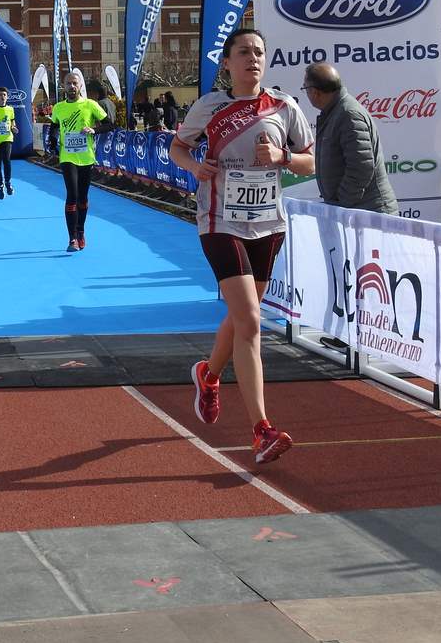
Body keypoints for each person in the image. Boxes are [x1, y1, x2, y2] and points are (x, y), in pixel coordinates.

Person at [170, 28, 315, 465]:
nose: (252, 59)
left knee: (239, 318)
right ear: (227, 63)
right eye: (244, 52)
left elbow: (311, 160)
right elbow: (177, 148)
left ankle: (209, 374)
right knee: (251, 319)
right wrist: (195, 166)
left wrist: (284, 160)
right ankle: (261, 430)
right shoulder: (210, 107)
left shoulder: (284, 106)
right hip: (219, 221)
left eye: (259, 53)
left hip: (268, 223)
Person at [303, 62, 397, 352]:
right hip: (355, 212)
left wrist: (341, 206)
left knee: (369, 279)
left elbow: (361, 167)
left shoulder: (348, 114)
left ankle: (369, 340)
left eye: (307, 89)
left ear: (316, 93)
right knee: (352, 277)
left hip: (365, 213)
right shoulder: (337, 113)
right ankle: (350, 335)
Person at [49, 69, 110, 251]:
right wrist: (53, 140)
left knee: (83, 198)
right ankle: (72, 238)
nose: (72, 86)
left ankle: (81, 231)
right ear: (64, 86)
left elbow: (110, 124)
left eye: (75, 83)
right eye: (68, 83)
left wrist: (94, 130)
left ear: (80, 86)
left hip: (86, 157)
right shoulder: (58, 108)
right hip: (68, 157)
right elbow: (53, 127)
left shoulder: (90, 105)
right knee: (72, 195)